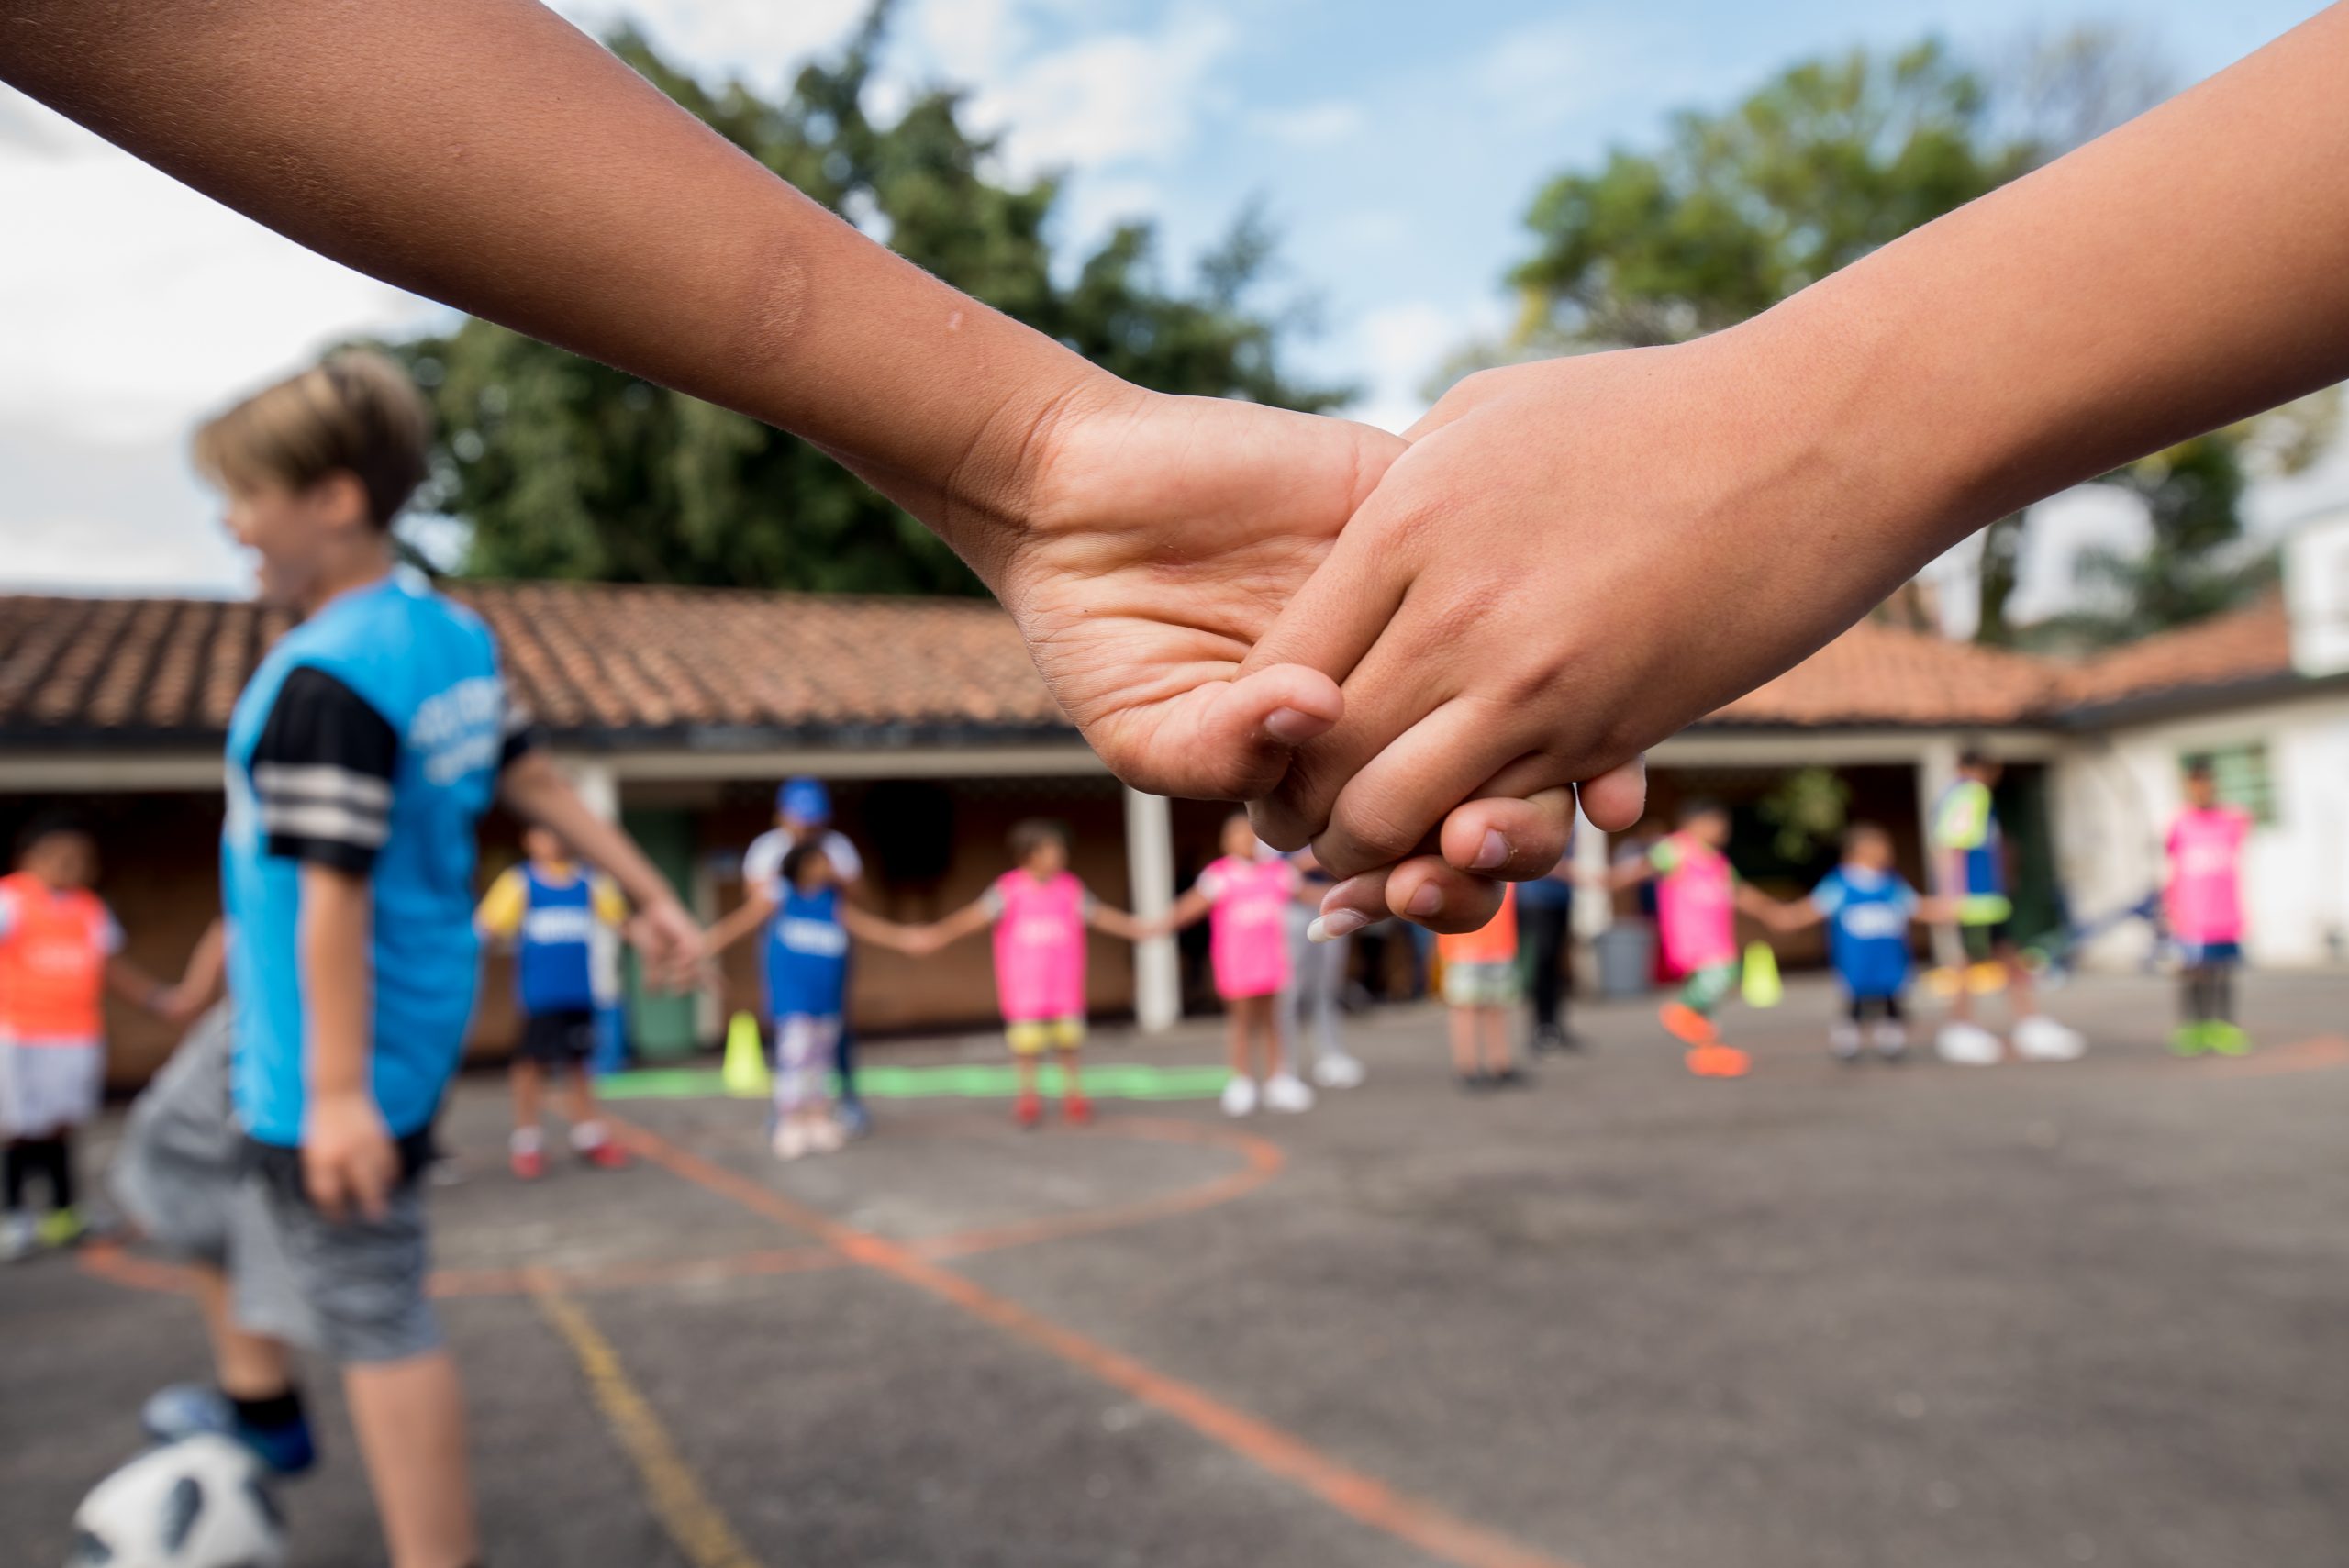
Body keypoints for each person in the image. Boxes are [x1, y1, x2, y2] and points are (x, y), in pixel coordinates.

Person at [20, 5, 2349, 940]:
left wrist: (1817, 424)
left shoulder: (382, 660)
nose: (233, 530)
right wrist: (1025, 448)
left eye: (255, 496)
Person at [115, 350, 701, 1568]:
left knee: (376, 1308)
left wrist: (333, 1099)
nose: (231, 523)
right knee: (167, 1162)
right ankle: (264, 1418)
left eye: (246, 496)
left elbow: (331, 899)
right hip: (304, 1021)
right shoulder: (449, 637)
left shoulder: (328, 681)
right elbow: (529, 774)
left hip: (331, 1050)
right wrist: (647, 891)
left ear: (332, 499)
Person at [0, 815, 183, 1259]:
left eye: (82, 857)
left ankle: (64, 1214)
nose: (73, 864)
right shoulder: (11, 899)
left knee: (62, 1124)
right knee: (19, 1128)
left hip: (75, 1033)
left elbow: (109, 967)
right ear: (32, 858)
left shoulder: (87, 908)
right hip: (20, 1032)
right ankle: (13, 1217)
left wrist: (158, 1001)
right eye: (61, 855)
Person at [910, 820, 1147, 1129]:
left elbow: (1099, 915)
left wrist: (1136, 928)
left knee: (1068, 1043)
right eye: (1051, 850)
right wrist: (938, 935)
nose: (1059, 855)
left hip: (1064, 987)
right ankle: (1028, 1097)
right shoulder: (1008, 890)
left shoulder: (1070, 888)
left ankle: (1073, 1095)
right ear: (1027, 855)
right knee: (1026, 1046)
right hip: (1025, 989)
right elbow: (974, 916)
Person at [711, 841, 924, 1159]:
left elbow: (867, 927)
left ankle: (818, 1119)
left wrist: (906, 938)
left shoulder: (832, 902)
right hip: (793, 999)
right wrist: (701, 945)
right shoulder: (779, 896)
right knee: (795, 1059)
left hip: (827, 997)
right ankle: (789, 1121)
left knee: (822, 1061)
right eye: (820, 862)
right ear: (802, 865)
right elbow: (742, 921)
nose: (828, 868)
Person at [473, 824, 633, 1178]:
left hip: (579, 993)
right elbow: (486, 927)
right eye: (543, 834)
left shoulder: (591, 882)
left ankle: (589, 1135)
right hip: (540, 996)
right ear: (528, 839)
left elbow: (624, 923)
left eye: (558, 834)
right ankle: (527, 1141)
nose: (552, 841)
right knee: (530, 1065)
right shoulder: (519, 882)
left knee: (580, 1065)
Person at [1586, 801, 1786, 1079]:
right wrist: (1610, 880)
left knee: (1711, 1003)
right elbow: (1642, 868)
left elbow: (1739, 892)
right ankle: (1681, 1010)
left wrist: (1773, 912)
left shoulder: (1716, 861)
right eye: (1718, 823)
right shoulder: (1675, 849)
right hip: (1693, 937)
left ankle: (1708, 1054)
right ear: (1695, 823)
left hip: (1717, 936)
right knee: (1721, 976)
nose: (1723, 830)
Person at [737, 780, 876, 1136]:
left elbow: (855, 898)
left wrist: (831, 874)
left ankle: (839, 1101)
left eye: (813, 820)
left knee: (831, 1030)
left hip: (829, 950)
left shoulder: (835, 847)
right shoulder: (767, 848)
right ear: (782, 815)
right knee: (792, 1033)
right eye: (801, 819)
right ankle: (787, 1109)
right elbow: (754, 903)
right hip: (787, 954)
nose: (807, 827)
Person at [1931, 751, 2086, 1066]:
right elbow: (1952, 846)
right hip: (1977, 901)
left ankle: (2028, 1022)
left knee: (2009, 958)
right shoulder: (1969, 793)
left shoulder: (1964, 795)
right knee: (1970, 962)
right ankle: (1961, 1026)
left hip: (1987, 899)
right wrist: (1952, 896)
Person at [1157, 816, 1314, 1118]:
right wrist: (1152, 927)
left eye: (1250, 835)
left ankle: (1277, 1080)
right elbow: (1188, 908)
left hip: (1271, 960)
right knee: (1241, 1023)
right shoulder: (1218, 877)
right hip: (1236, 964)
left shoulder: (1277, 873)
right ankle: (1241, 1081)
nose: (1246, 840)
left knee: (1272, 1022)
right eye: (1239, 835)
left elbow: (1308, 895)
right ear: (1226, 842)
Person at [1765, 824, 1958, 1063]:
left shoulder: (1890, 884)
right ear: (1859, 851)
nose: (1887, 852)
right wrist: (1788, 918)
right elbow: (1814, 907)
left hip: (1888, 954)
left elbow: (1915, 906)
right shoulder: (1840, 883)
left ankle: (1891, 1038)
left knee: (1891, 995)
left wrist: (1946, 910)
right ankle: (1848, 1038)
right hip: (1857, 956)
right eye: (1881, 847)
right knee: (1856, 997)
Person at [2165, 761, 2254, 1056]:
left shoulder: (2233, 821)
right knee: (2193, 973)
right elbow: (2172, 867)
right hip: (2192, 915)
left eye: (2207, 784)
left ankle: (2224, 1027)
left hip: (2225, 915)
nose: (2202, 790)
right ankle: (2194, 1027)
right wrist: (2173, 908)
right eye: (2196, 785)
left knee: (2224, 972)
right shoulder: (2180, 824)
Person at [1280, 846, 1366, 1090]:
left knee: (1328, 988)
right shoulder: (1272, 829)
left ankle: (1330, 1056)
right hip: (1293, 913)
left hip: (1328, 909)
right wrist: (1314, 861)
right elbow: (1277, 874)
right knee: (1291, 993)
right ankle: (1285, 1066)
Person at [1437, 883, 1525, 1090]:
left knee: (1498, 1005)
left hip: (1501, 942)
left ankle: (1500, 1064)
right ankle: (1466, 1067)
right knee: (1465, 1007)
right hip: (1463, 945)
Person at [1517, 859, 1581, 1054]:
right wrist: (1575, 873)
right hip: (1537, 901)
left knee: (1557, 964)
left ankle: (1555, 1023)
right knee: (1541, 964)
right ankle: (1542, 1026)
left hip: (1561, 898)